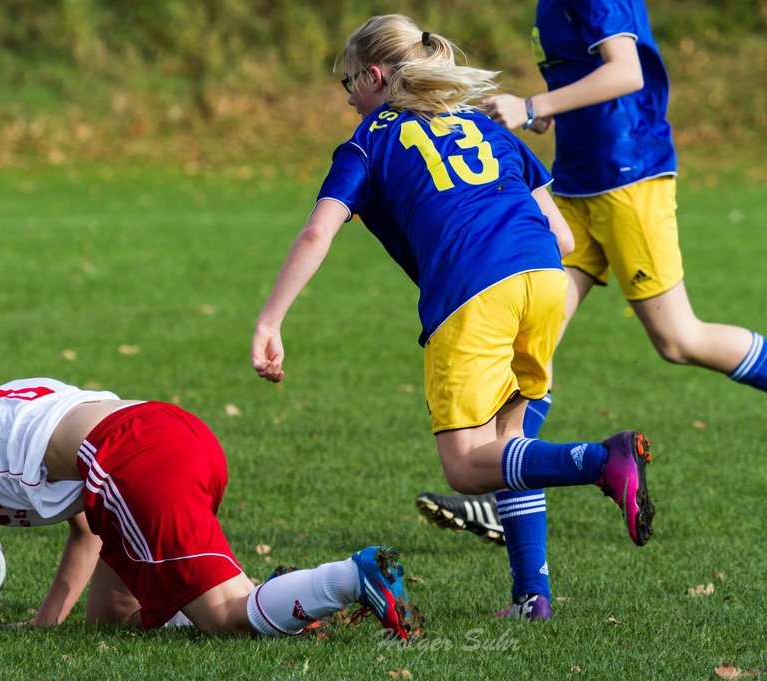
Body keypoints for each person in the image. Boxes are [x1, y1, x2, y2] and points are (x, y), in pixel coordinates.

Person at [250, 14, 656, 621]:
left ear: (377, 74)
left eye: (348, 83)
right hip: (545, 279)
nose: (348, 96)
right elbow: (565, 236)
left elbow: (316, 234)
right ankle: (531, 598)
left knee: (466, 466)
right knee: (508, 443)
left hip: (473, 293)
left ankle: (603, 461)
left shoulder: (368, 141)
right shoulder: (483, 126)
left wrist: (269, 321)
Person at [417, 0, 767, 546]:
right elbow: (586, 75)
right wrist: (554, 112)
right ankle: (498, 494)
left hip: (629, 176)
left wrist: (534, 104)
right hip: (576, 184)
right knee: (532, 347)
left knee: (678, 339)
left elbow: (626, 72)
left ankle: (500, 491)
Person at [0, 361, 422, 639]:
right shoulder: (2, 403)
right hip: (176, 428)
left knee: (225, 619)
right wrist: (44, 622)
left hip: (132, 460)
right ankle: (282, 594)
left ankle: (350, 577)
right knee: (115, 615)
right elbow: (89, 528)